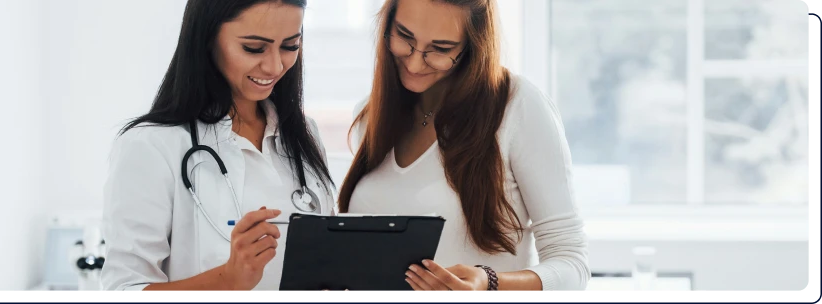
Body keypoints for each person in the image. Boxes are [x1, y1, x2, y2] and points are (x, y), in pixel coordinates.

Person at [338, 0, 590, 293]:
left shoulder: (518, 107)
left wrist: (488, 282)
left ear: (473, 47)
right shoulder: (371, 117)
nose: (415, 62)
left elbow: (573, 265)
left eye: (441, 49)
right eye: (404, 37)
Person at [100, 0, 335, 295]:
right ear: (207, 38)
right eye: (254, 48)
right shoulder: (151, 145)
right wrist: (228, 280)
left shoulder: (303, 133)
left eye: (290, 46)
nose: (275, 66)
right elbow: (123, 289)